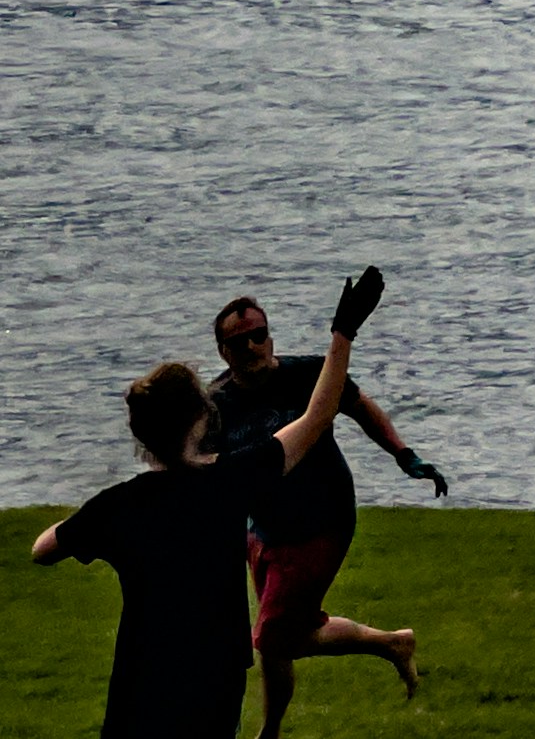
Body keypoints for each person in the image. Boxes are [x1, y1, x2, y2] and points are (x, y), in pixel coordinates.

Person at [32, 270, 398, 739]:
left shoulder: (119, 506)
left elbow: (43, 549)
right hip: (216, 677)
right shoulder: (232, 480)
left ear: (141, 435)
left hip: (142, 679)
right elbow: (319, 414)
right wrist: (342, 333)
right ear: (203, 417)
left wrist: (91, 520)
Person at [207, 296, 440, 736]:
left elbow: (360, 406)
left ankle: (268, 734)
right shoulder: (215, 404)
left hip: (322, 520)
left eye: (259, 335)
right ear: (223, 351)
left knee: (271, 637)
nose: (253, 346)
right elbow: (204, 469)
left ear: (270, 336)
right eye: (239, 341)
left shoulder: (308, 374)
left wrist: (403, 454)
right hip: (263, 530)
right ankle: (393, 643)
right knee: (288, 635)